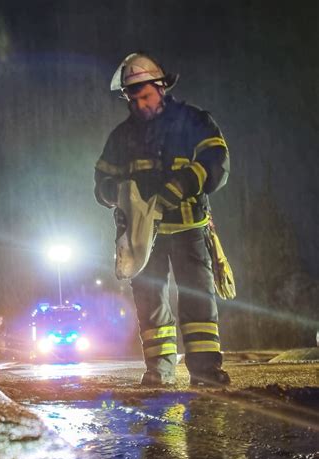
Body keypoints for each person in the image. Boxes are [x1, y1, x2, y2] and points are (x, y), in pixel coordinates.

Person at [94, 52, 231, 387]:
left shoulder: (194, 121)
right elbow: (101, 184)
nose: (140, 105)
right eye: (133, 99)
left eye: (146, 96)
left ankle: (205, 371)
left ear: (161, 87)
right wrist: (121, 192)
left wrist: (181, 185)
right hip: (143, 238)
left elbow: (217, 161)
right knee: (150, 304)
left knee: (198, 299)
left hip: (188, 227)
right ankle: (159, 371)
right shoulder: (121, 137)